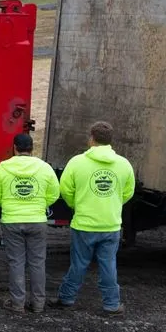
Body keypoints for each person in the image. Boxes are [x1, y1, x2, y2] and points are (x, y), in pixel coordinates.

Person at [50, 121, 134, 317]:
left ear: (91, 138)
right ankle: (112, 304)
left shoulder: (77, 162)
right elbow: (127, 192)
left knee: (79, 263)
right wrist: (113, 203)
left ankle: (67, 298)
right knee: (108, 264)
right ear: (110, 140)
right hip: (111, 223)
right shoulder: (124, 164)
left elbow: (66, 189)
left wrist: (76, 205)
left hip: (84, 223)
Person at [0, 132, 60, 314]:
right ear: (32, 148)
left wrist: (8, 205)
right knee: (37, 263)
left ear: (14, 148)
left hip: (12, 220)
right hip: (37, 220)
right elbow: (54, 193)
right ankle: (38, 304)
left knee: (16, 262)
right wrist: (40, 205)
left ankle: (17, 304)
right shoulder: (44, 168)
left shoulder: (4, 167)